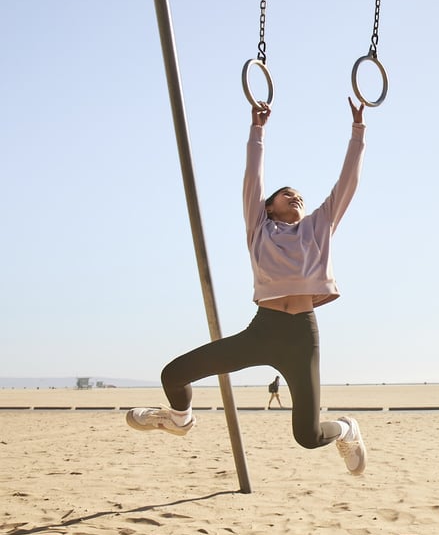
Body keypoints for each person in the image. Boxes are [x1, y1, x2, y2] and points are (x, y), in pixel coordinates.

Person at [125, 98, 369, 476]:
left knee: (306, 435)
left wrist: (358, 132)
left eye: (298, 194)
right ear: (268, 207)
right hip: (263, 331)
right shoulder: (260, 227)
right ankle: (179, 419)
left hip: (302, 337)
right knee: (172, 375)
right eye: (285, 193)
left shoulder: (319, 227)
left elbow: (347, 183)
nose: (295, 196)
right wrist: (257, 130)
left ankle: (345, 429)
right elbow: (252, 177)